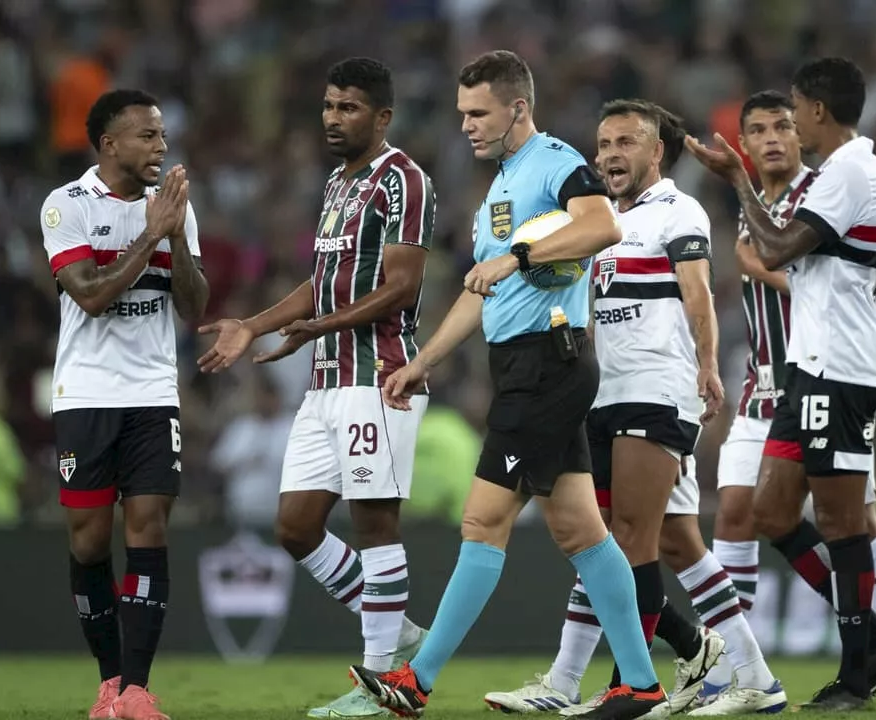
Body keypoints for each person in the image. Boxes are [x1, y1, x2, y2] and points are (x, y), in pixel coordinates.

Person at [352, 50, 665, 720]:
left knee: (482, 521)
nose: (466, 125)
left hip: (548, 366)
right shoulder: (498, 189)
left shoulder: (553, 162)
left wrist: (520, 256)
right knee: (582, 531)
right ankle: (639, 684)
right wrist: (423, 359)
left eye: (478, 113)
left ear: (517, 108)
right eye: (462, 113)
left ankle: (418, 680)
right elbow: (479, 291)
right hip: (525, 366)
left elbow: (603, 224)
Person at [483, 100, 780, 717]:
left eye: (625, 143)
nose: (610, 155)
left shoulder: (679, 211)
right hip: (605, 395)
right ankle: (750, 676)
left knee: (623, 539)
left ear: (655, 153)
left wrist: (706, 364)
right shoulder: (603, 223)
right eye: (603, 144)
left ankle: (624, 687)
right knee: (667, 542)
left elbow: (698, 293)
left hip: (657, 390)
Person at [686, 59, 876, 712]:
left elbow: (781, 253)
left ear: (812, 112)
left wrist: (738, 190)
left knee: (849, 522)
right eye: (760, 128)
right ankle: (865, 650)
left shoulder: (840, 177)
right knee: (770, 514)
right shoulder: (818, 184)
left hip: (837, 368)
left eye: (789, 115)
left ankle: (872, 666)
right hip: (796, 375)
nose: (781, 131)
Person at [197, 57, 433, 719]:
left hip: (379, 377)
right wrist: (251, 323)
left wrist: (319, 324)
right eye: (329, 106)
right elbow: (319, 282)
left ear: (381, 116)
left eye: (349, 108)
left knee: (375, 526)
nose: (333, 118)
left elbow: (403, 285)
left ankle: (384, 690)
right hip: (326, 378)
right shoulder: (336, 182)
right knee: (295, 528)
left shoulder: (403, 180)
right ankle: (400, 628)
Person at [41, 88, 208, 720]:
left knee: (151, 528)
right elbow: (90, 295)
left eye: (162, 136)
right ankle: (109, 681)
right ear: (109, 144)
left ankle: (136, 691)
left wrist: (177, 238)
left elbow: (192, 308)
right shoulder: (67, 206)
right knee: (89, 544)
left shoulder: (173, 208)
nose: (161, 147)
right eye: (147, 136)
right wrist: (152, 236)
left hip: (151, 393)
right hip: (85, 395)